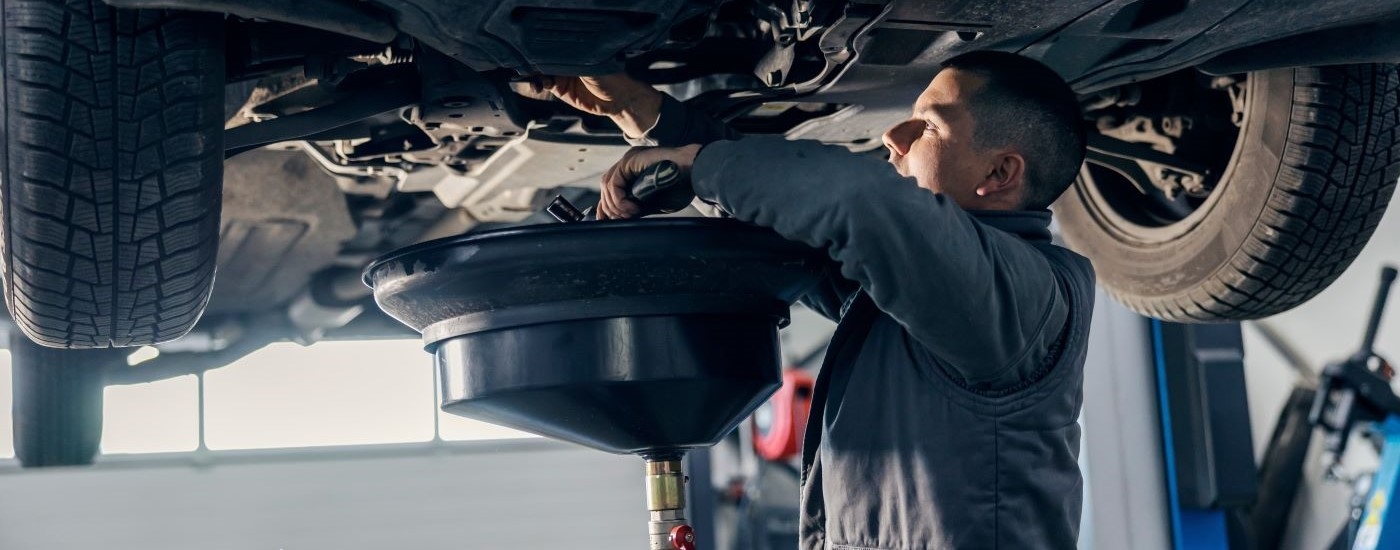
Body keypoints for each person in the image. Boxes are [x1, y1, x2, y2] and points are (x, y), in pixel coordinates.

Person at [543, 50, 1094, 549]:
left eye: (927, 126)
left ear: (999, 173)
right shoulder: (931, 297)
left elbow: (857, 201)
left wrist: (697, 166)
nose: (893, 137)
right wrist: (646, 115)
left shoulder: (1025, 302)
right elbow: (793, 218)